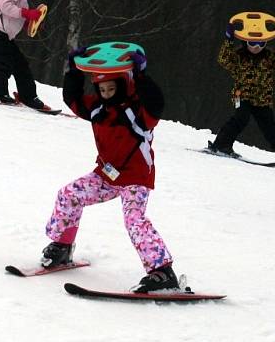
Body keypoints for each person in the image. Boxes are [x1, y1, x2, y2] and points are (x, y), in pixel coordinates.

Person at [41, 47, 179, 293]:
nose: (106, 94)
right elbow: (72, 99)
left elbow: (156, 103)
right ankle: (62, 247)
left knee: (134, 220)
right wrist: (73, 71)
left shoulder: (139, 111)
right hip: (105, 176)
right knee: (68, 194)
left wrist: (140, 75)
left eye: (111, 89)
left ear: (123, 85)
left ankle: (162, 272)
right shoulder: (97, 108)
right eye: (102, 90)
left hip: (135, 178)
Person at [210, 21, 275, 172]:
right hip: (242, 96)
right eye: (252, 43)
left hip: (262, 100)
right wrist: (228, 39)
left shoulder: (269, 57)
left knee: (271, 129)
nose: (256, 47)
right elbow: (223, 59)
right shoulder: (239, 56)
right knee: (240, 118)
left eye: (261, 43)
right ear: (245, 41)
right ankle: (221, 145)